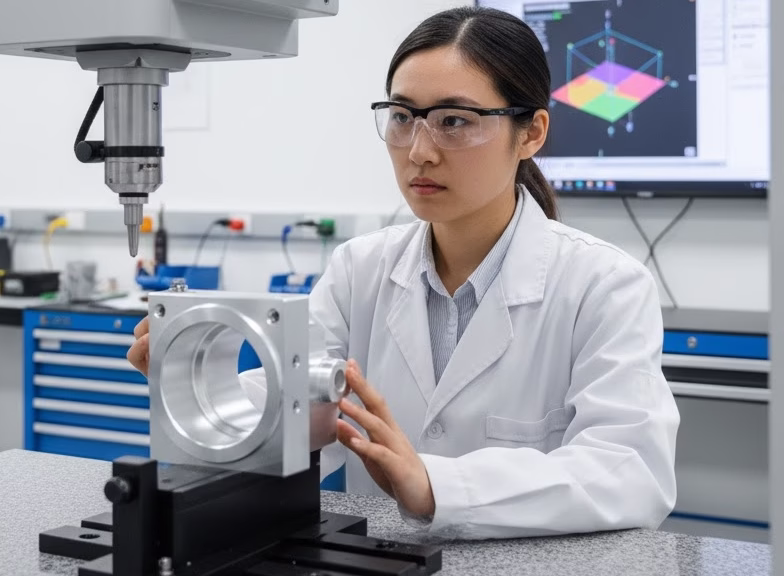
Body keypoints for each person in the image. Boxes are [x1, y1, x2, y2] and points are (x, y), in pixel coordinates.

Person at [128, 6, 679, 539]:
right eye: (402, 117)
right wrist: (199, 382)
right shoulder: (359, 270)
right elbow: (303, 407)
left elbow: (631, 474)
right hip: (385, 558)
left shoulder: (604, 285)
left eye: (454, 121)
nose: (419, 151)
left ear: (531, 133)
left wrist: (437, 486)